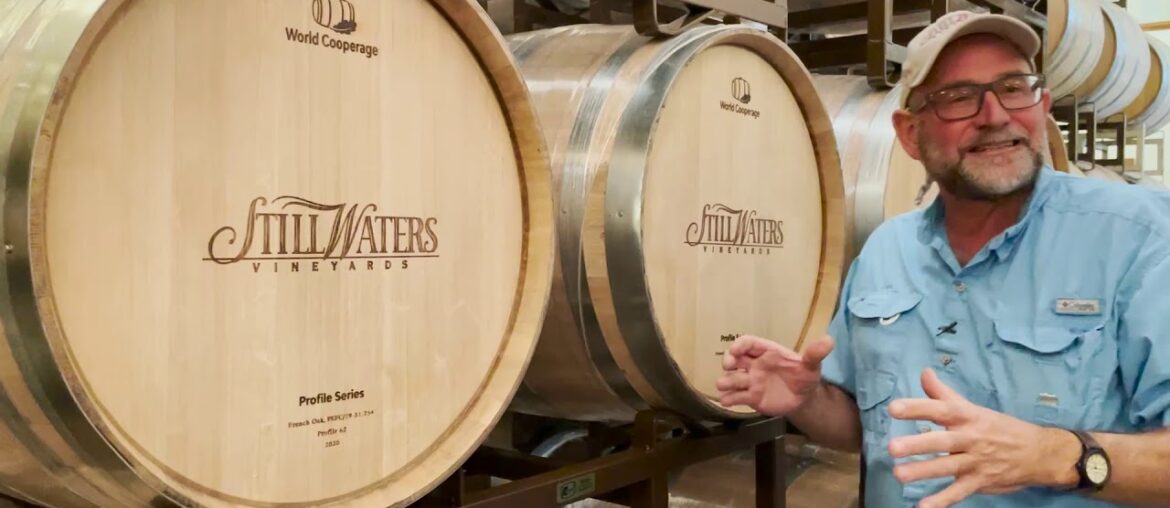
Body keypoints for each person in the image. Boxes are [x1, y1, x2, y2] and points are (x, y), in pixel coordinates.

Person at [716, 10, 1170, 508]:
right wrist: (808, 401)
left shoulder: (1139, 237)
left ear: (1043, 105)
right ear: (910, 134)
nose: (995, 115)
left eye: (1014, 87)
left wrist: (1056, 454)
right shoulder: (887, 250)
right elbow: (867, 427)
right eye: (958, 98)